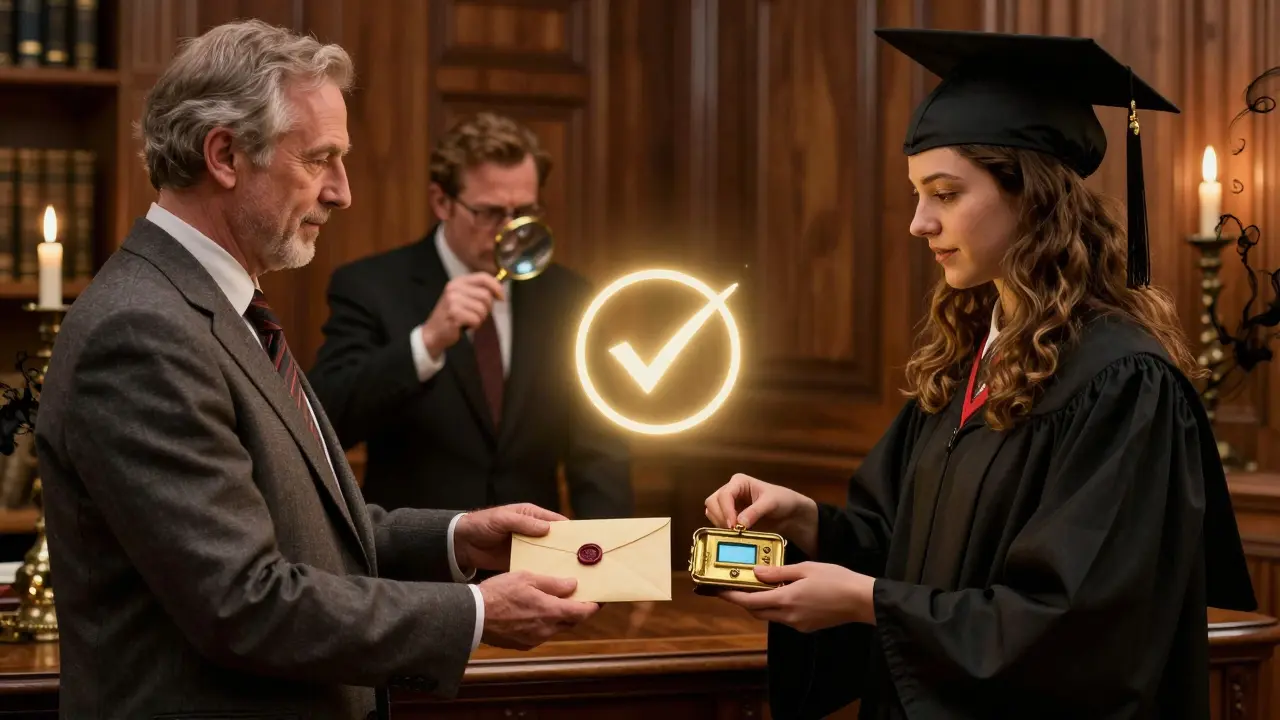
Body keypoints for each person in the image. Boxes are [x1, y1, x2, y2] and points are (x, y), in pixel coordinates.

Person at [35, 20, 598, 720]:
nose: (342, 192)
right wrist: (475, 614)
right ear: (225, 155)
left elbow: (314, 527)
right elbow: (243, 601)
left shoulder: (218, 303)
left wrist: (457, 536)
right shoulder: (142, 328)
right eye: (320, 159)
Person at [703, 28, 1257, 720]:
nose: (918, 223)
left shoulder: (1122, 386)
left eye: (944, 193)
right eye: (915, 193)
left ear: (1033, 196)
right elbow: (904, 547)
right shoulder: (969, 363)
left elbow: (1078, 628)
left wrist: (863, 601)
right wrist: (810, 522)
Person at [308, 112, 632, 519]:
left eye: (526, 212)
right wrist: (425, 343)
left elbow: (599, 452)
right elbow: (327, 420)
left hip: (530, 557)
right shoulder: (370, 286)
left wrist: (606, 562)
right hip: (414, 567)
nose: (510, 232)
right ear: (442, 202)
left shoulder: (569, 297)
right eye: (491, 213)